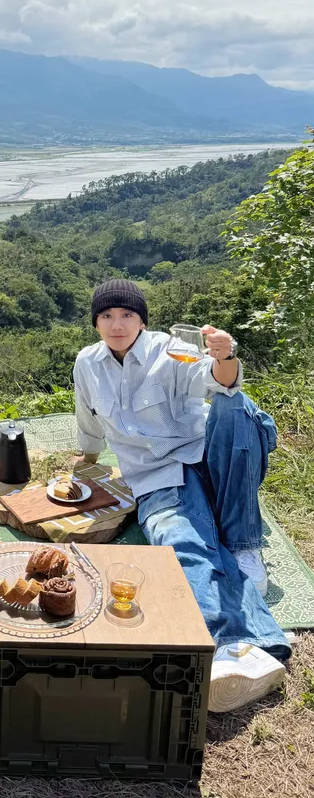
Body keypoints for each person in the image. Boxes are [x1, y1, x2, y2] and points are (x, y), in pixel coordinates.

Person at [74, 278, 290, 713]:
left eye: (127, 315)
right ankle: (247, 646)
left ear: (142, 320)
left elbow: (218, 381)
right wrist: (88, 458)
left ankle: (243, 547)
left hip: (210, 455)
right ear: (96, 322)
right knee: (182, 543)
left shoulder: (170, 350)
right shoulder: (88, 363)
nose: (117, 325)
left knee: (235, 405)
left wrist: (224, 357)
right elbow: (88, 416)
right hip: (156, 474)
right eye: (107, 316)